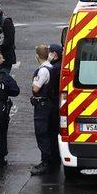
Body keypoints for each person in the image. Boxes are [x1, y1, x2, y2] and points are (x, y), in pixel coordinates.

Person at [30, 44, 59, 175]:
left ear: (37, 56)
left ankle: (45, 162)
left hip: (42, 106)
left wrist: (34, 81)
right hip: (49, 105)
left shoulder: (43, 70)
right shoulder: (51, 67)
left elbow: (36, 88)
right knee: (49, 132)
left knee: (41, 133)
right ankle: (52, 159)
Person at [47, 43, 63, 167]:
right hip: (57, 101)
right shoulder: (60, 65)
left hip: (54, 102)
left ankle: (54, 158)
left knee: (52, 131)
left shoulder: (54, 68)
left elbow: (49, 86)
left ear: (55, 54)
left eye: (50, 52)